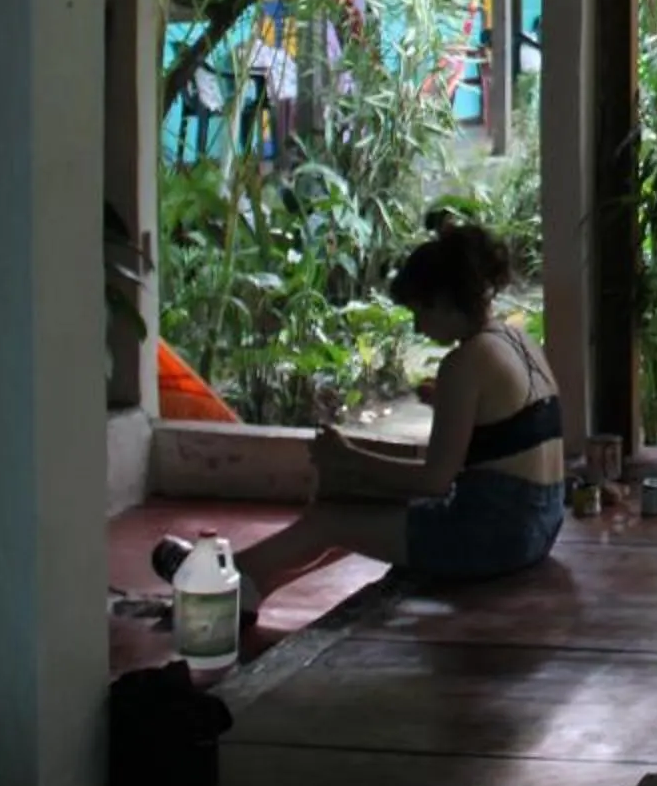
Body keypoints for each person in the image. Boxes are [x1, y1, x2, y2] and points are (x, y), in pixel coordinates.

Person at [153, 216, 565, 622]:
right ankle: (252, 580)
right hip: (542, 522)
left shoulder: (465, 362)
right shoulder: (518, 340)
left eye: (419, 311)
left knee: (333, 518)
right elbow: (507, 427)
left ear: (443, 301)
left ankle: (222, 579)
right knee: (348, 505)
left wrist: (350, 458)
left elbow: (435, 481)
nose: (418, 325)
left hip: (497, 536)